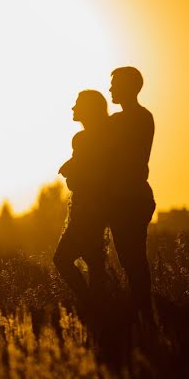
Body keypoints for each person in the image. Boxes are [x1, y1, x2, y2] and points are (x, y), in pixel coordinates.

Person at [54, 90, 115, 314]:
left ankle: (90, 303)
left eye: (77, 104)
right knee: (95, 264)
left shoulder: (83, 140)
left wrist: (72, 171)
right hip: (97, 211)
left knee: (62, 259)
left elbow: (79, 177)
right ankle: (101, 308)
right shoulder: (105, 138)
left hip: (86, 212)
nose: (73, 108)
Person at [107, 66, 156, 317]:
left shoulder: (135, 119)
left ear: (128, 87)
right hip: (127, 198)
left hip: (131, 198)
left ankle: (143, 311)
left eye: (115, 84)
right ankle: (141, 310)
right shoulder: (138, 118)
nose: (111, 89)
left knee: (133, 259)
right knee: (130, 259)